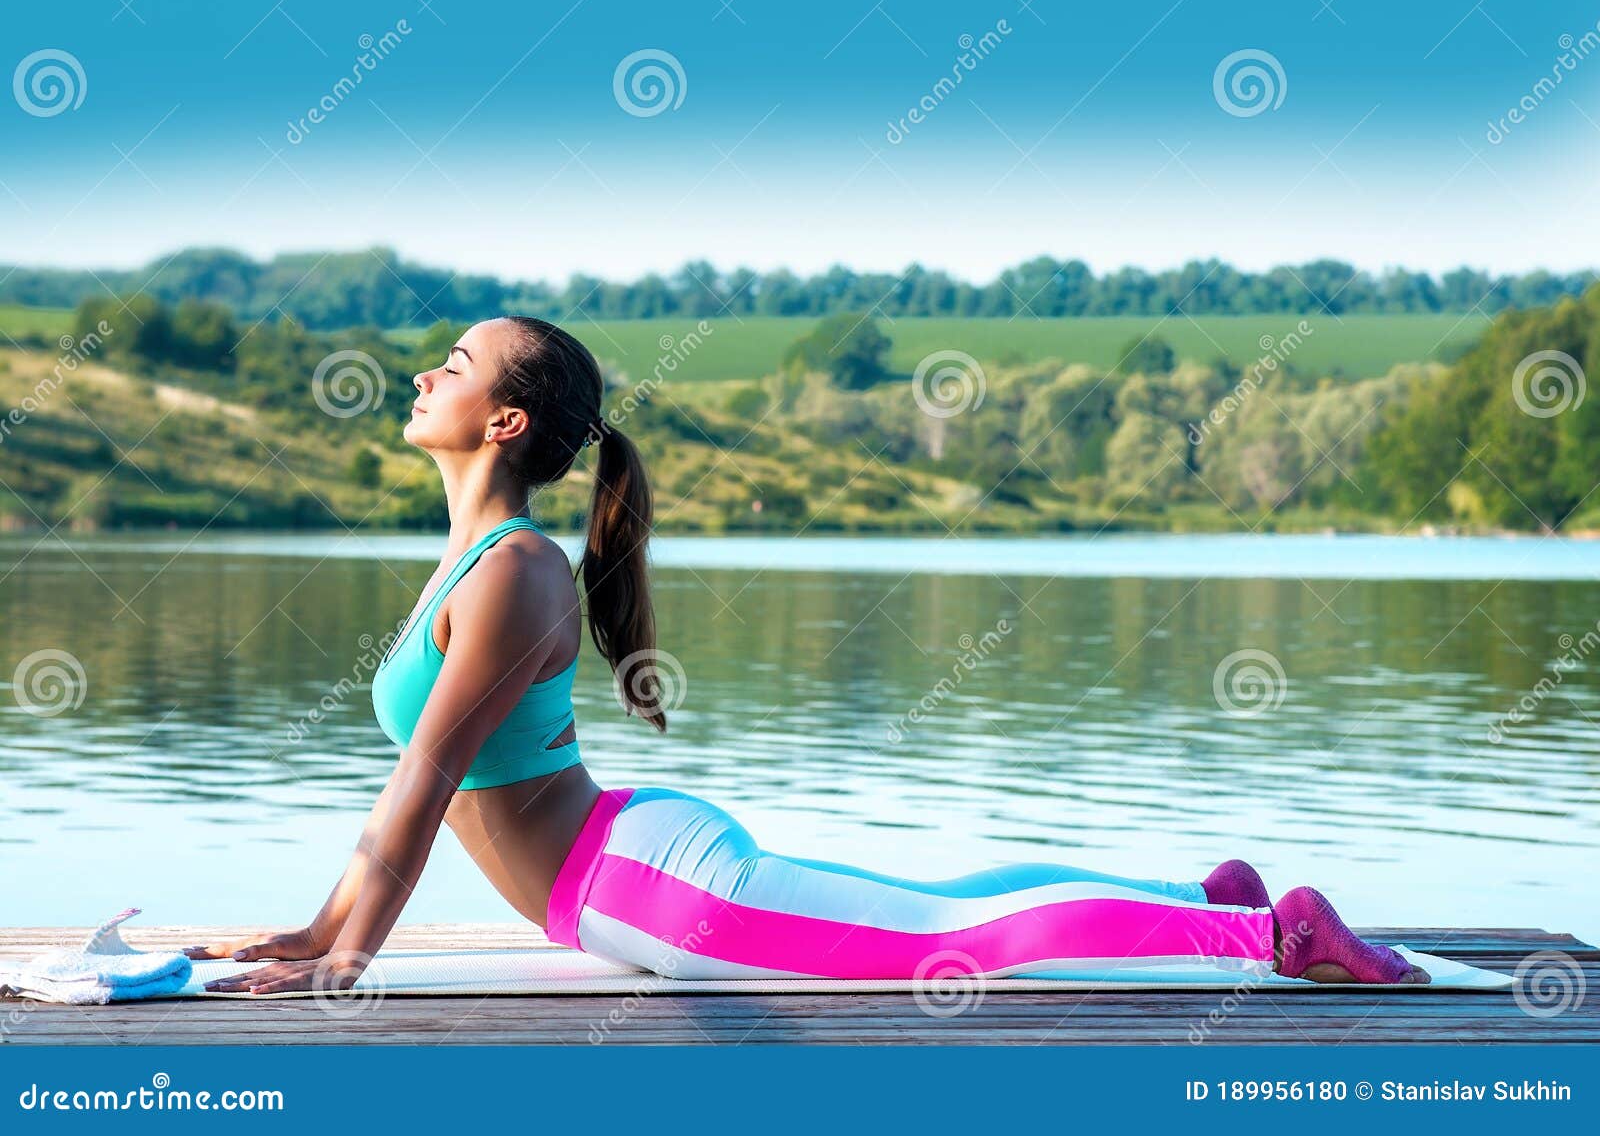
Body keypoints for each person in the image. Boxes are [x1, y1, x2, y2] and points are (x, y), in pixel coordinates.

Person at [187, 317, 1428, 991]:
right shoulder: (478, 561)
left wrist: (342, 957)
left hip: (648, 890)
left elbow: (429, 776)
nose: (422, 369)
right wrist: (316, 928)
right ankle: (1195, 904)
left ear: (502, 420)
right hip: (627, 868)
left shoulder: (514, 570)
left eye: (450, 364)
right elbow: (412, 782)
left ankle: (1268, 941)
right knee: (942, 904)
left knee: (944, 945)